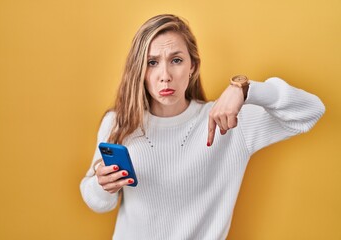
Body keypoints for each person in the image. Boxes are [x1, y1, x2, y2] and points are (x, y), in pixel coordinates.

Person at [80, 14, 325, 240]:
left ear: (193, 67)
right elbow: (98, 203)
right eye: (152, 62)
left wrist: (246, 89)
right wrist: (102, 186)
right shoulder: (119, 122)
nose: (165, 75)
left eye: (176, 60)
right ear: (140, 71)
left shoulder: (228, 122)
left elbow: (311, 111)